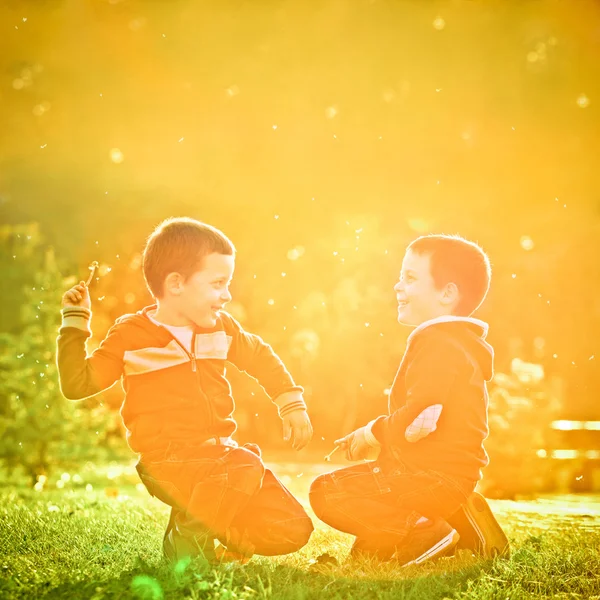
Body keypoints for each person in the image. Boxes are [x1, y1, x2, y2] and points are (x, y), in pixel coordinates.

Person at [57, 217, 314, 562]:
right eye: (218, 283)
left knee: (291, 528)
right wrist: (75, 321)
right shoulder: (131, 337)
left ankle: (193, 526)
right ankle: (188, 546)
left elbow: (259, 356)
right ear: (176, 283)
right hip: (168, 461)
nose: (227, 295)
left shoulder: (220, 329)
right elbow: (78, 384)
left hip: (221, 459)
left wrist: (291, 403)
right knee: (244, 465)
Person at [309, 234, 509, 565]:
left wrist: (370, 433)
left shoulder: (439, 345)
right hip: (445, 476)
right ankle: (461, 523)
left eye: (411, 278)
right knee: (370, 552)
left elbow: (421, 417)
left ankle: (427, 528)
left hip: (430, 477)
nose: (398, 287)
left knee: (326, 492)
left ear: (447, 293)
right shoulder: (454, 343)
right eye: (401, 276)